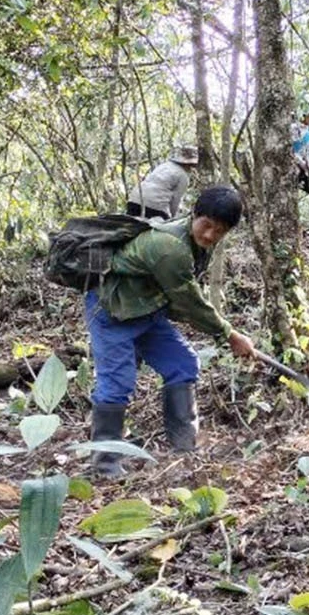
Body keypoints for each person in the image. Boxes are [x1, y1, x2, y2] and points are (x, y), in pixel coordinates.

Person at [85, 186, 256, 477]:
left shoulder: (195, 242)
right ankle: (104, 465)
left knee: (182, 364)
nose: (210, 235)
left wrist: (225, 332)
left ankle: (184, 449)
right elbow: (189, 302)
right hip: (112, 310)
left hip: (145, 310)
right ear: (195, 214)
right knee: (117, 383)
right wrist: (230, 335)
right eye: (206, 225)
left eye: (219, 231)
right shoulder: (170, 247)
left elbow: (181, 298)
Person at [126, 146, 197, 219]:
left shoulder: (165, 166)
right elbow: (176, 200)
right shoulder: (183, 177)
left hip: (134, 200)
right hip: (154, 206)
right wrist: (172, 218)